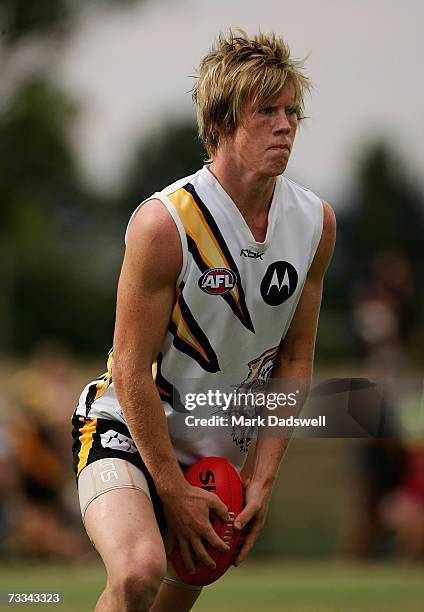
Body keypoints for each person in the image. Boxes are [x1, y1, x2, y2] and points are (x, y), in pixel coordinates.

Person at [72, 29, 336, 611]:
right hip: (126, 426)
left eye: (292, 110)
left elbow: (294, 359)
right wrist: (171, 490)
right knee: (139, 573)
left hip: (216, 446)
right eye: (266, 111)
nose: (286, 124)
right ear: (220, 123)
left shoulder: (315, 223)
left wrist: (262, 479)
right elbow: (132, 369)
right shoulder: (163, 224)